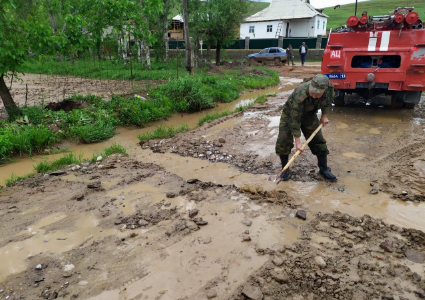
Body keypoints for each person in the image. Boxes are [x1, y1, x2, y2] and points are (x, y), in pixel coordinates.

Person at [275, 74, 337, 181]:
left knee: (318, 140)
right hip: (290, 115)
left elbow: (327, 102)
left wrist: (324, 117)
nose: (313, 95)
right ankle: (285, 170)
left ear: (325, 89)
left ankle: (323, 169)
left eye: (317, 93)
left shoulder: (329, 89)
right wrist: (298, 143)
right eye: (312, 91)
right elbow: (294, 120)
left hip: (309, 115)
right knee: (284, 140)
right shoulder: (300, 93)